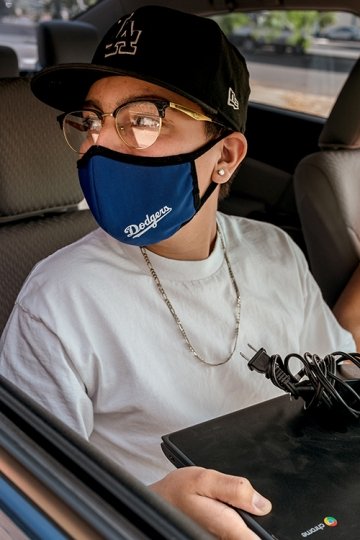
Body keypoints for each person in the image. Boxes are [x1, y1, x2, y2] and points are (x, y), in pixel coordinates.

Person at [0, 5, 356, 539]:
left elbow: (334, 392)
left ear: (227, 156)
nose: (99, 144)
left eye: (143, 120)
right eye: (92, 121)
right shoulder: (57, 300)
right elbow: (24, 516)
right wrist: (150, 508)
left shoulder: (275, 250)